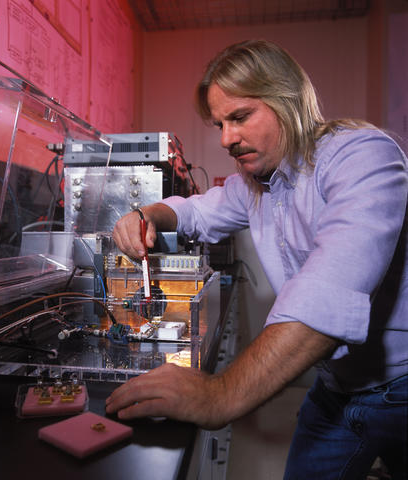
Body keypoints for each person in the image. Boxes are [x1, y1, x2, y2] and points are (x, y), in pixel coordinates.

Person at [105, 40, 408, 479]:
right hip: (336, 388)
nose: (226, 138)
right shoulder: (253, 182)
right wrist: (146, 214)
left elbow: (327, 293)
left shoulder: (362, 157)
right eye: (219, 124)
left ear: (285, 101)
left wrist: (218, 395)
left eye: (240, 117)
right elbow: (196, 211)